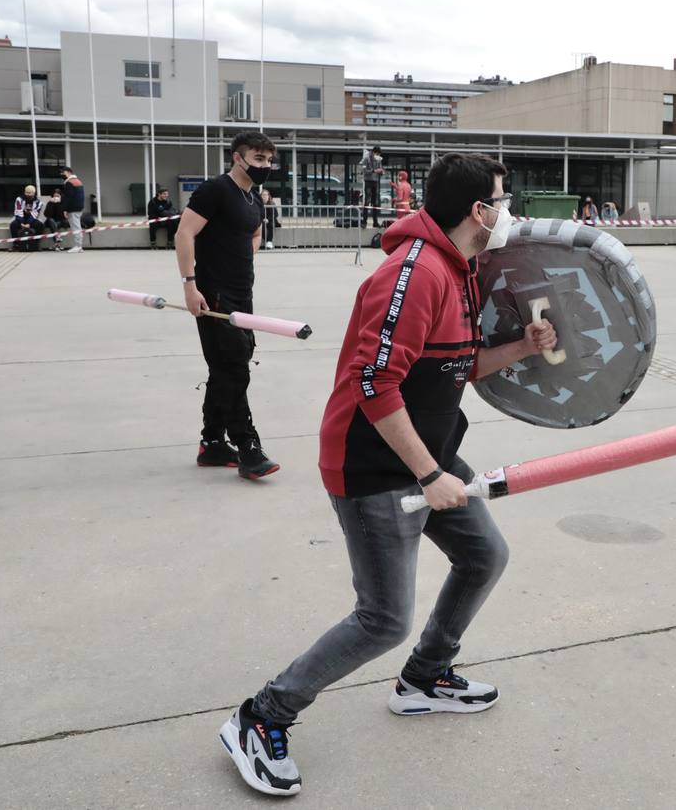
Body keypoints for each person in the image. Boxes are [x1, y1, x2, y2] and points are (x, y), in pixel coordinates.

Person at [219, 152, 557, 797]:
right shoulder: (415, 272)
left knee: (484, 556)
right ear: (477, 211)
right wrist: (430, 475)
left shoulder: (461, 270)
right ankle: (262, 715)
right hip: (374, 464)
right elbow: (375, 385)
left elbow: (457, 366)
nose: (507, 211)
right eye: (501, 199)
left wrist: (522, 346)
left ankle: (425, 679)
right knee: (382, 618)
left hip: (426, 451)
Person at [175, 132, 279, 479]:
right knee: (234, 369)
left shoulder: (254, 199)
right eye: (258, 159)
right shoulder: (215, 190)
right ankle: (248, 447)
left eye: (268, 160)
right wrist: (190, 285)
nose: (265, 166)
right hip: (212, 294)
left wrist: (243, 256)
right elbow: (184, 233)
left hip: (242, 295)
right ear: (238, 157)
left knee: (226, 368)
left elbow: (255, 234)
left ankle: (212, 444)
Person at [10, 185, 45, 251]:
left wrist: (29, 224)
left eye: (29, 193)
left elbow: (35, 214)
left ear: (34, 193)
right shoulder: (19, 199)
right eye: (26, 192)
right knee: (13, 225)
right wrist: (21, 223)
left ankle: (36, 244)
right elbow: (18, 211)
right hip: (20, 218)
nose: (28, 194)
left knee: (40, 225)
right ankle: (16, 245)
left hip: (31, 219)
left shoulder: (38, 202)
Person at [60, 167, 86, 253]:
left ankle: (78, 246)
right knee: (77, 226)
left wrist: (65, 209)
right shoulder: (78, 181)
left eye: (62, 173)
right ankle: (79, 246)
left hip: (73, 209)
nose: (61, 175)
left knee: (75, 227)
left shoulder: (69, 183)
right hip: (79, 208)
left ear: (67, 172)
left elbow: (68, 198)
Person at [359, 147, 385, 229]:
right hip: (368, 181)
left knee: (375, 203)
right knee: (367, 201)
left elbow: (380, 169)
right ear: (374, 152)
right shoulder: (366, 158)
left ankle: (375, 222)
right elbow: (364, 171)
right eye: (377, 154)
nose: (378, 156)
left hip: (375, 182)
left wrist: (381, 172)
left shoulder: (379, 160)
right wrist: (374, 171)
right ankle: (364, 222)